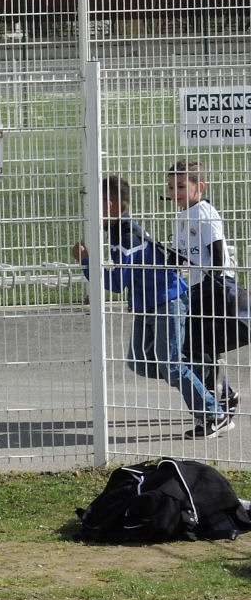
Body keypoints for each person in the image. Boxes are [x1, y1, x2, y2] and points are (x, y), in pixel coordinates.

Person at [73, 175, 230, 438]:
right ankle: (204, 372)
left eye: (93, 206)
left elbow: (116, 283)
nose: (90, 213)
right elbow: (132, 275)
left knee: (171, 366)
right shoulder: (119, 231)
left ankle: (214, 415)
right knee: (140, 362)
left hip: (166, 302)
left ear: (109, 206)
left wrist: (86, 263)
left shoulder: (126, 236)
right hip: (147, 304)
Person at [167, 157, 242, 415]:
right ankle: (224, 395)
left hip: (214, 289)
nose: (174, 192)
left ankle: (217, 400)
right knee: (196, 346)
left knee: (197, 345)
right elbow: (177, 258)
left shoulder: (204, 213)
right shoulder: (182, 216)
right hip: (197, 291)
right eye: (171, 187)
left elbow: (218, 257)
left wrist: (208, 288)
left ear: (199, 186)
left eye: (180, 186)